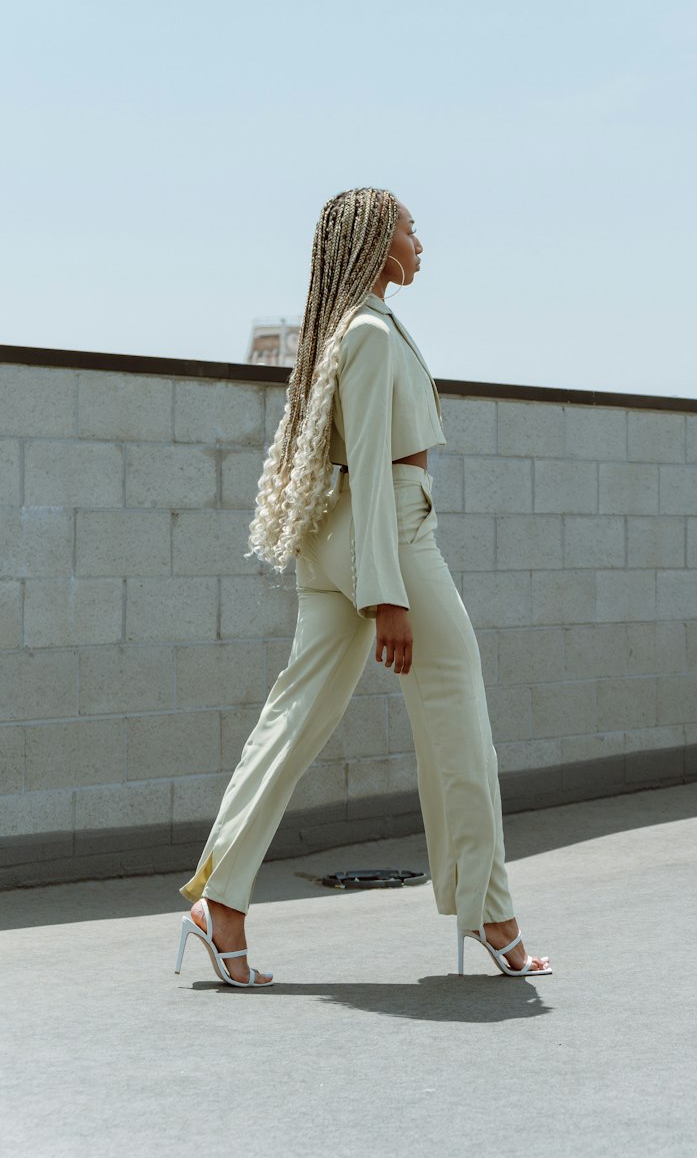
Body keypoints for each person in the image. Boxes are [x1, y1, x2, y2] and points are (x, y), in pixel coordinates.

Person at [174, 188, 551, 985]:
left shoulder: (346, 330)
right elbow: (378, 471)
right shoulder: (373, 335)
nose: (422, 239)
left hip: (334, 541)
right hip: (392, 538)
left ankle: (220, 900)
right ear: (380, 242)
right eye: (411, 227)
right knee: (459, 715)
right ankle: (492, 911)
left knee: (291, 719)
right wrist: (388, 595)